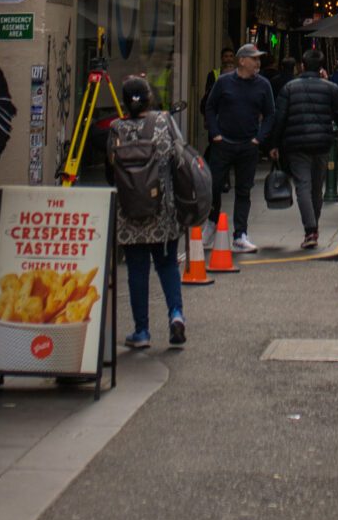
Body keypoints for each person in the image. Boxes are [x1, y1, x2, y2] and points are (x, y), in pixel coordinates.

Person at [104, 74, 186, 349]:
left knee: (137, 270)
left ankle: (142, 331)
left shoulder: (116, 128)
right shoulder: (165, 122)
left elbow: (109, 171)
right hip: (163, 209)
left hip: (130, 212)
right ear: (149, 98)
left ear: (125, 102)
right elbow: (180, 157)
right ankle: (176, 315)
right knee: (167, 265)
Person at [266, 46, 338, 249]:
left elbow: (280, 117)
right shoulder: (329, 87)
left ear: (302, 66)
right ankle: (314, 226)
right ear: (321, 68)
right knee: (316, 186)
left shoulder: (289, 88)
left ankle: (310, 230)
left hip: (296, 144)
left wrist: (273, 144)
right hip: (321, 144)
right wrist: (328, 81)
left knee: (302, 184)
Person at [202, 41, 273, 255]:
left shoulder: (263, 85)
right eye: (254, 58)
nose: (258, 62)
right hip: (223, 144)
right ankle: (212, 224)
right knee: (214, 186)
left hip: (247, 145)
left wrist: (259, 139)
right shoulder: (223, 82)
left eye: (259, 58)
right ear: (242, 61)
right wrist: (215, 133)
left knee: (244, 190)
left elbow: (270, 113)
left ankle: (240, 235)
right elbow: (210, 106)